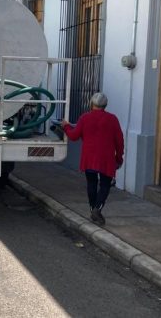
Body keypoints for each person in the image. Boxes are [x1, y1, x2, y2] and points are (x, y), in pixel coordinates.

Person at [61, 92, 124, 226]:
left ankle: (92, 210)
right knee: (105, 185)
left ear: (91, 103)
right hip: (106, 158)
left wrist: (65, 126)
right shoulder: (112, 119)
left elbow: (73, 135)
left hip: (89, 157)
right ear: (105, 105)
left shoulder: (85, 118)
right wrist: (119, 158)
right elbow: (119, 141)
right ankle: (97, 209)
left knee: (91, 183)